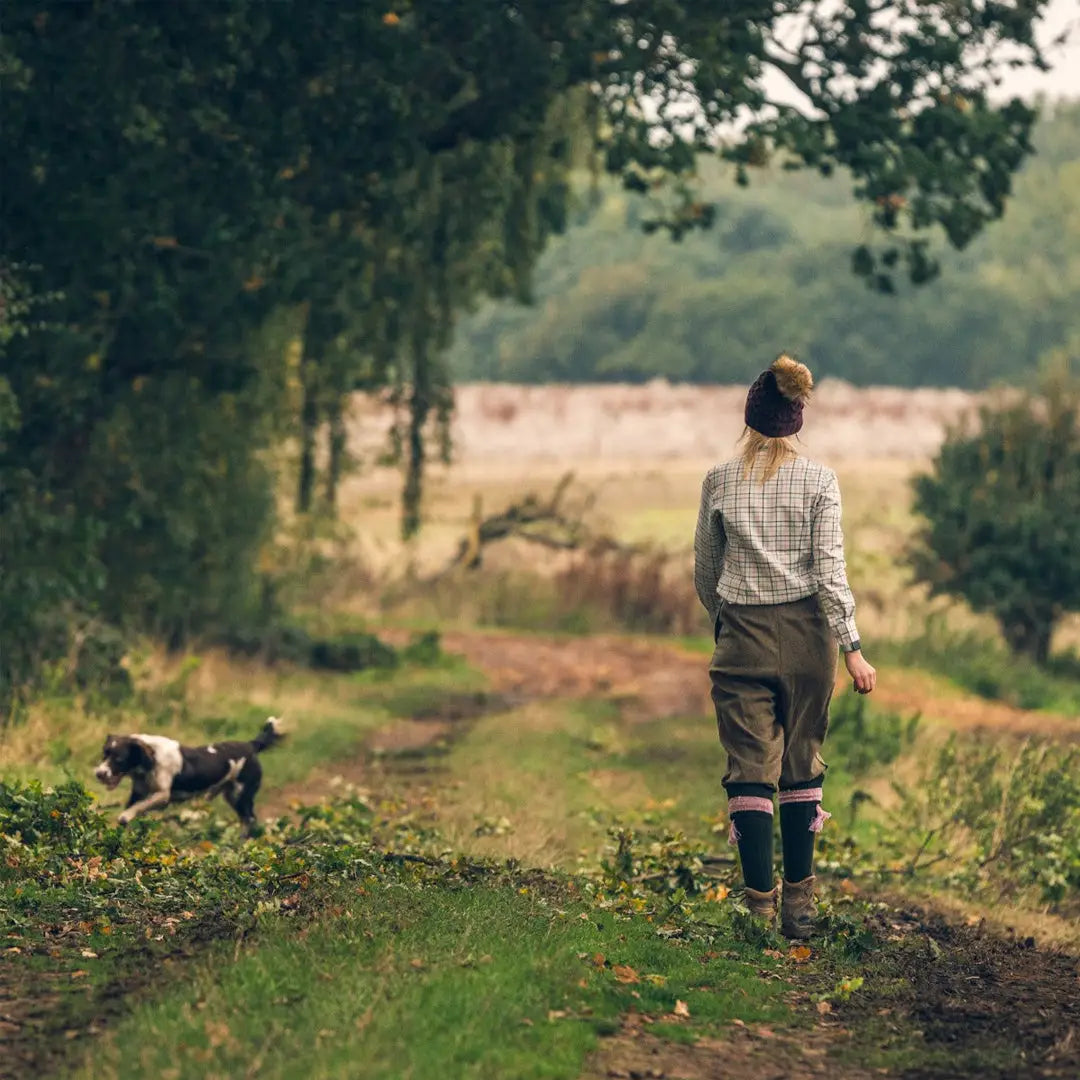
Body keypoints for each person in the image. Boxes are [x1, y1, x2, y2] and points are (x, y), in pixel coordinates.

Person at [693, 354, 876, 938]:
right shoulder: (820, 480)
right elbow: (829, 571)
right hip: (808, 642)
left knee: (749, 769)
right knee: (802, 766)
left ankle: (757, 909)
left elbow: (705, 569)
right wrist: (851, 646)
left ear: (749, 417)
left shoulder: (719, 479)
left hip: (740, 637)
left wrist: (724, 620)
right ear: (796, 420)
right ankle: (799, 907)